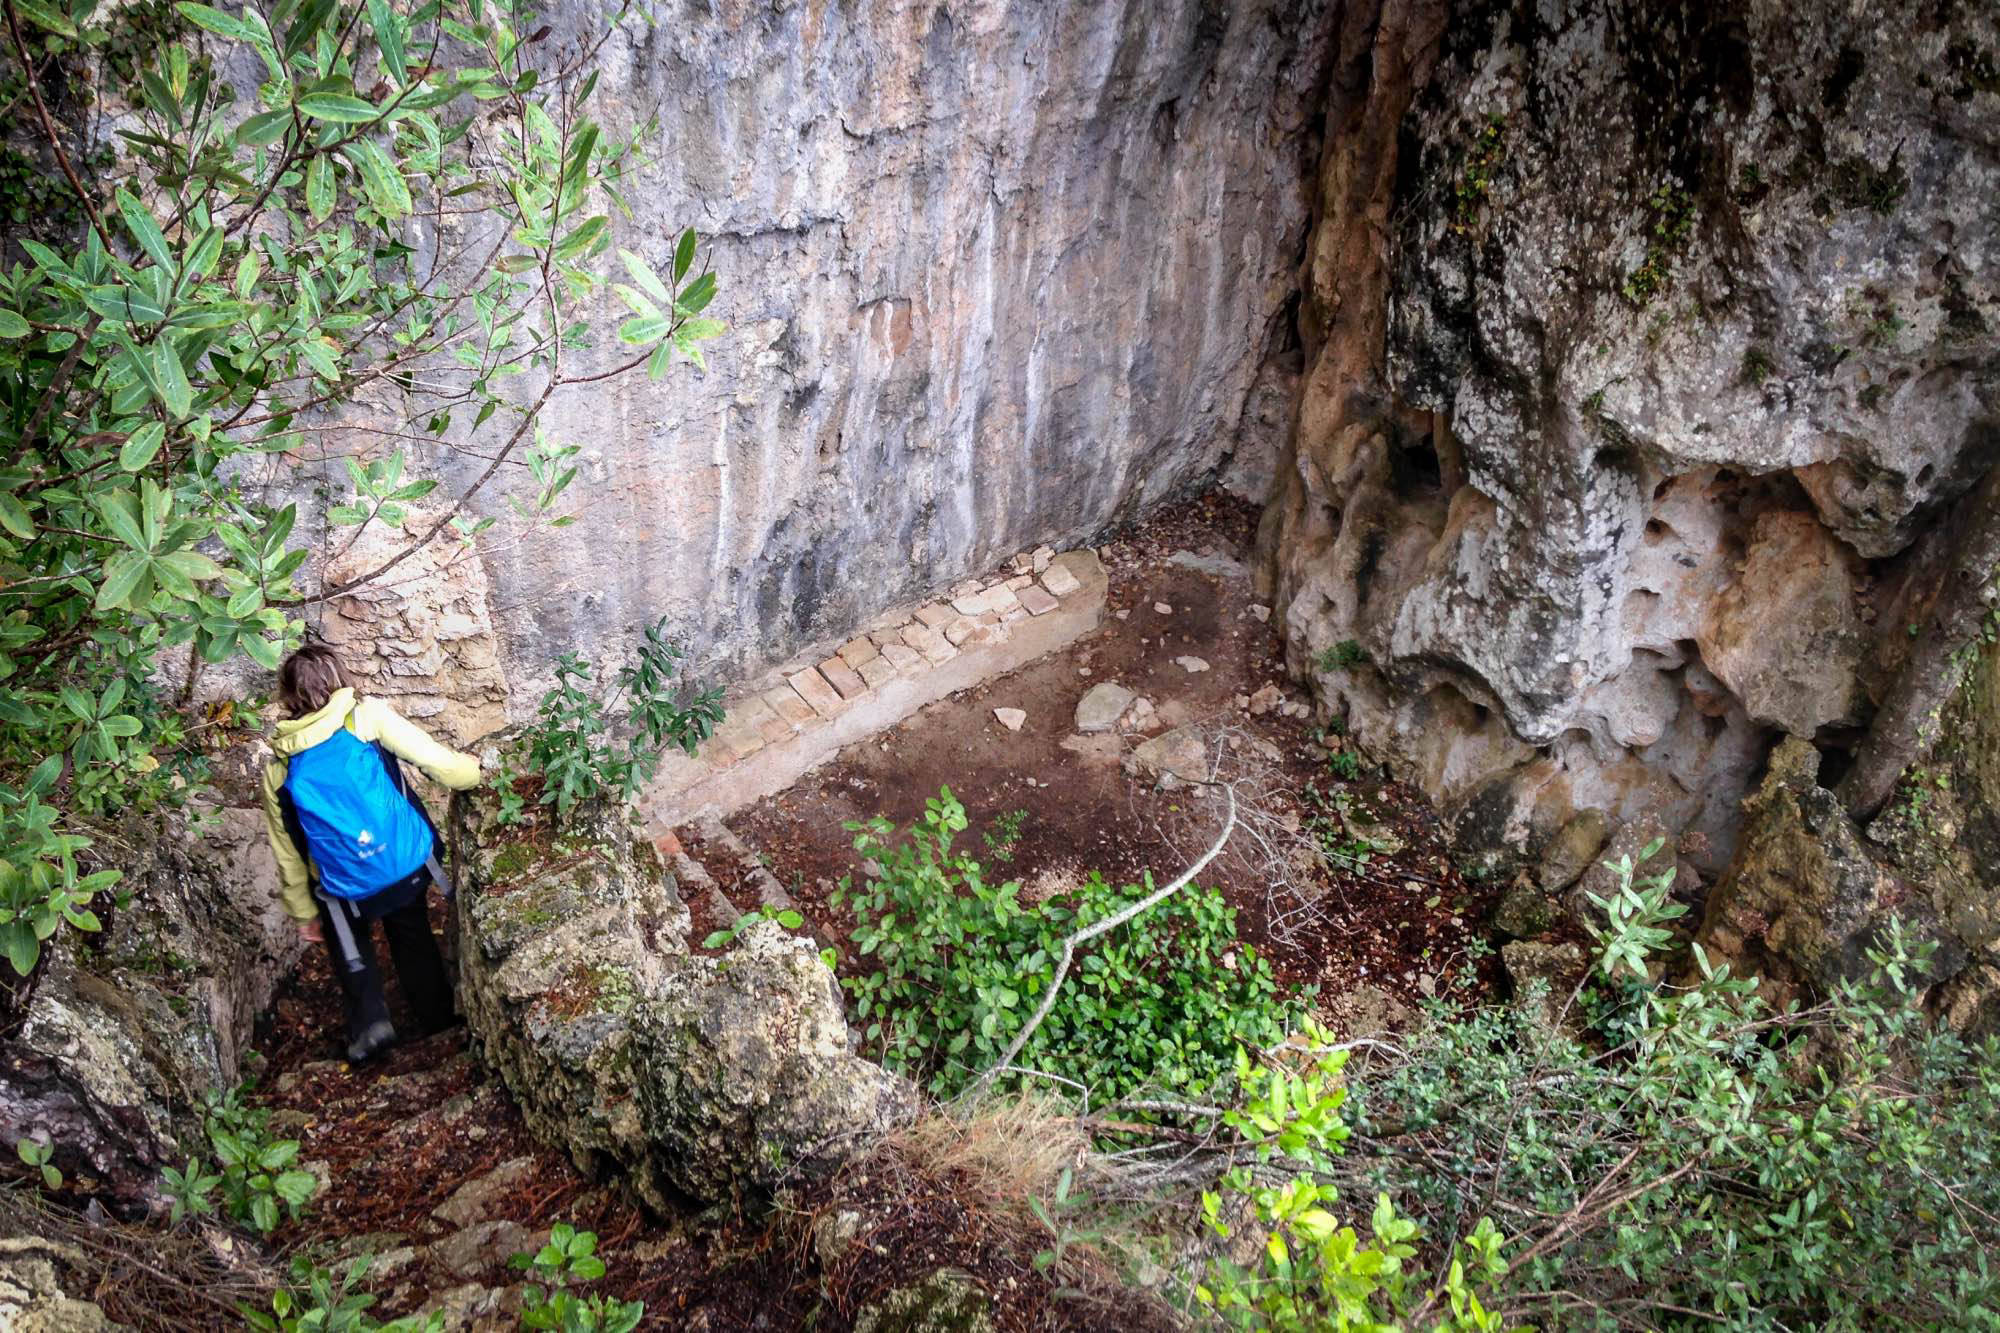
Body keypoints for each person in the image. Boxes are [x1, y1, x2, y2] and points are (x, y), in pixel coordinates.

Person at [259, 642, 482, 1063]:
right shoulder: (366, 718)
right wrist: (479, 774)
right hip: (403, 866)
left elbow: (288, 852)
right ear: (340, 677)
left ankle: (372, 1020)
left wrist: (304, 912)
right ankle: (436, 1019)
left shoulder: (279, 768)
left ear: (287, 697)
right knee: (412, 934)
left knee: (350, 946)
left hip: (346, 893)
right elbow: (441, 764)